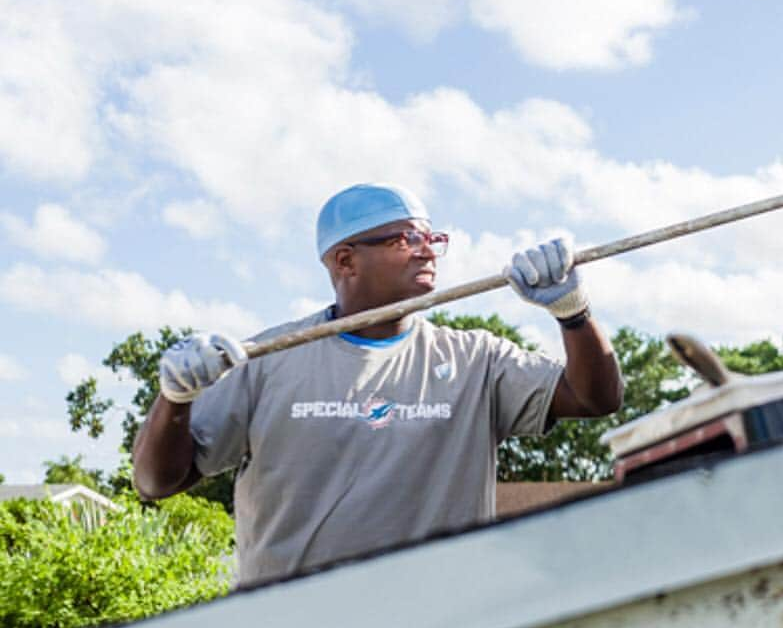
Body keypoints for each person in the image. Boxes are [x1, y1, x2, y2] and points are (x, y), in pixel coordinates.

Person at [133, 183, 623, 586]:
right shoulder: (266, 361)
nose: (427, 250)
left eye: (433, 238)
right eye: (405, 239)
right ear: (345, 261)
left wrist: (573, 313)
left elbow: (595, 398)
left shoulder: (475, 359)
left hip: (442, 625)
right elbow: (157, 481)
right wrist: (175, 399)